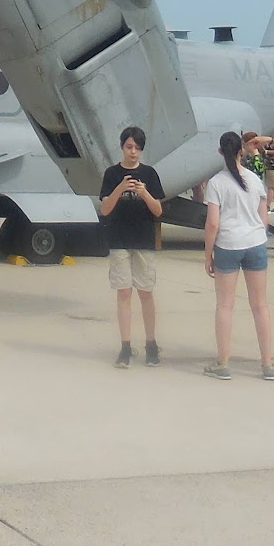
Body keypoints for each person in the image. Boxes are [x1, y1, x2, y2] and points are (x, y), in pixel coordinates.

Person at [202, 132, 274, 381]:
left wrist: (208, 254)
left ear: (220, 152)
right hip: (255, 243)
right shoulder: (254, 179)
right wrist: (258, 234)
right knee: (260, 305)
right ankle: (267, 363)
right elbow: (263, 216)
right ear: (241, 152)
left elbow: (213, 223)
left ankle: (223, 362)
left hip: (228, 244)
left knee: (225, 305)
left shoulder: (216, 183)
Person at [97, 125, 165, 368]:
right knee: (124, 292)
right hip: (119, 240)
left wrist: (144, 193)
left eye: (137, 147)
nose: (133, 152)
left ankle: (151, 343)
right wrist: (120, 189)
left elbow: (158, 210)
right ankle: (125, 346)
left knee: (145, 292)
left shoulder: (149, 174)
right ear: (122, 147)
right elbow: (105, 209)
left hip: (143, 240)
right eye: (129, 147)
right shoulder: (112, 174)